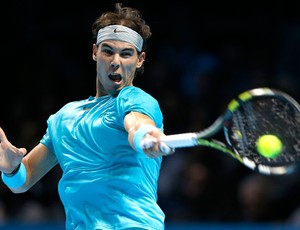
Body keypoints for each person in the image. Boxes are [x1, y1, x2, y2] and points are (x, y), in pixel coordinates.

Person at [0, 3, 173, 229]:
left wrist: (145, 135)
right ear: (95, 52)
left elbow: (137, 124)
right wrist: (11, 168)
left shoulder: (135, 99)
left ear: (140, 60)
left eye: (126, 54)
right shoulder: (63, 118)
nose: (115, 61)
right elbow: (23, 181)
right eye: (108, 51)